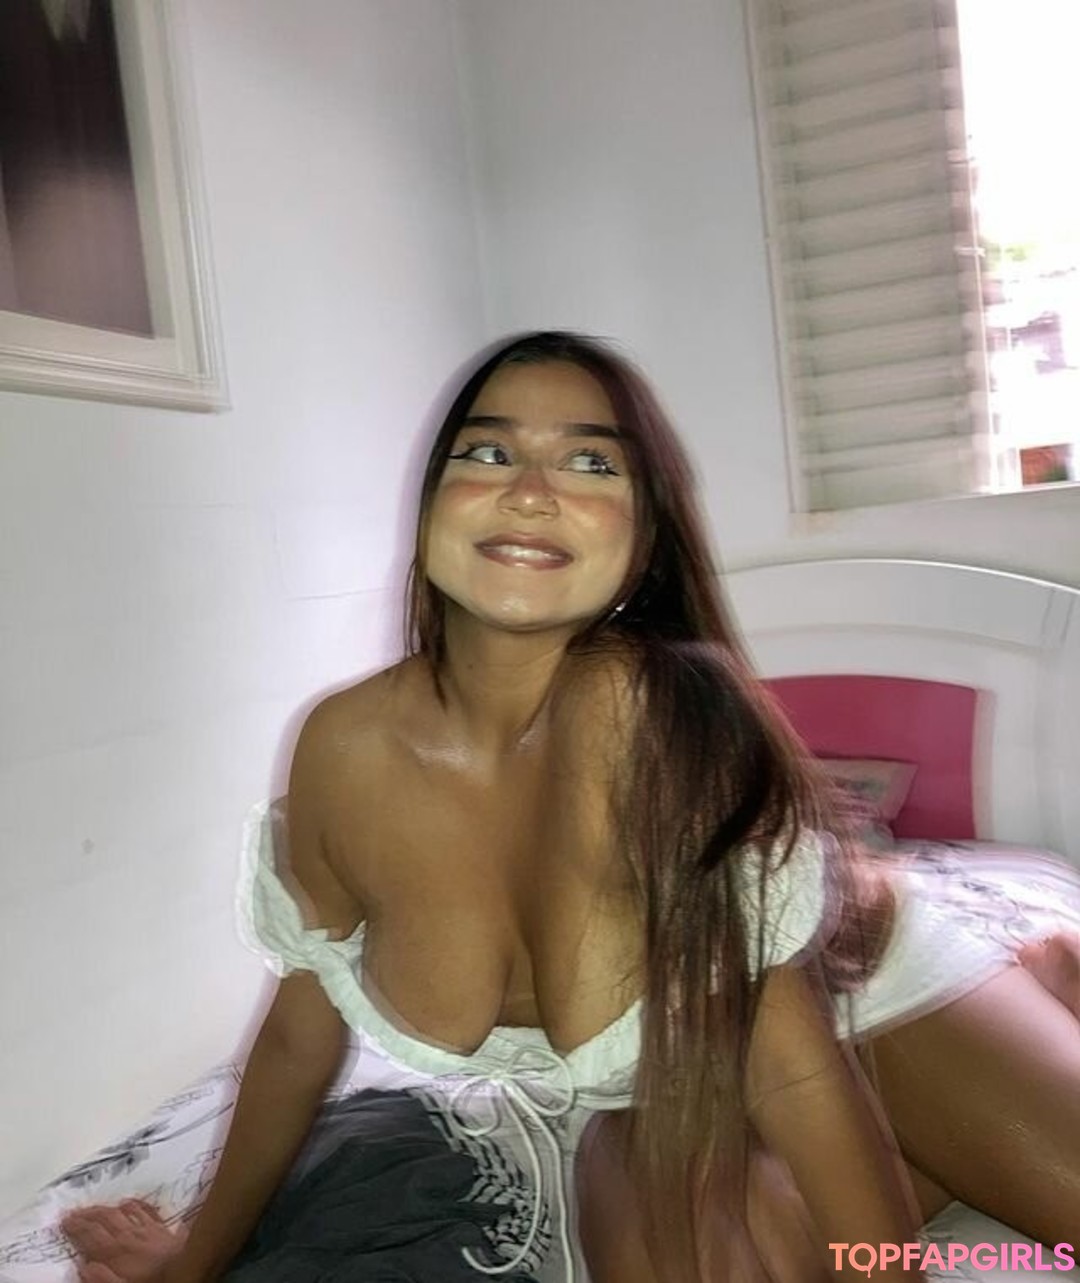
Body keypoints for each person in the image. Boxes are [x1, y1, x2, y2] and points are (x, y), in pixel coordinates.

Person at [61, 332, 1080, 1283]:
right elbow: (299, 1030)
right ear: (431, 502)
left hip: (868, 993)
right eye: (488, 452)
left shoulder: (654, 714)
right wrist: (192, 1261)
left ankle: (1015, 984)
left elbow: (787, 1060)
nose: (532, 491)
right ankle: (1000, 1044)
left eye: (591, 462)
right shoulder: (343, 744)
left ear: (644, 538)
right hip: (667, 1094)